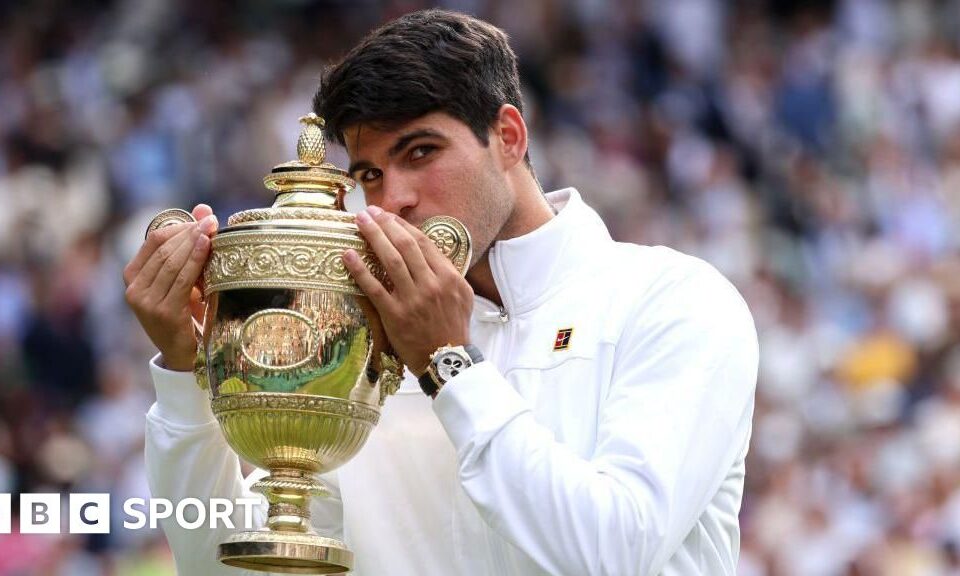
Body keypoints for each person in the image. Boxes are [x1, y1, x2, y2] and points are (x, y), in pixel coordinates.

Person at [124, 9, 758, 576]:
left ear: (508, 136)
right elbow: (237, 569)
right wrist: (184, 375)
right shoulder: (357, 339)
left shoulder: (674, 299)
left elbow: (614, 552)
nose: (393, 197)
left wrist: (449, 366)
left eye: (421, 152)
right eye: (369, 174)